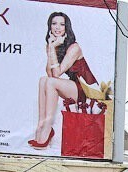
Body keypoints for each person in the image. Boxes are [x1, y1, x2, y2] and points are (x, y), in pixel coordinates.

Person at [30, 12, 98, 148]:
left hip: (87, 91)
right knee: (43, 80)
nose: (57, 27)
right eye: (54, 24)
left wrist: (52, 48)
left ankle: (48, 128)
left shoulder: (74, 48)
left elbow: (56, 74)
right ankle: (41, 127)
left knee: (50, 81)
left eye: (62, 24)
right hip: (74, 87)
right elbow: (49, 73)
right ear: (49, 26)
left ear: (67, 28)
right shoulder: (53, 45)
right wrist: (51, 47)